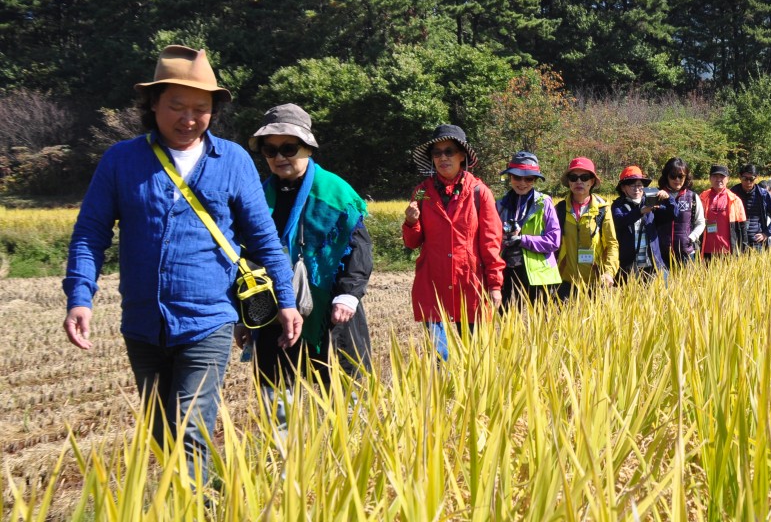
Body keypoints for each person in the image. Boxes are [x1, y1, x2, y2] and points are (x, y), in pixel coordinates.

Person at [63, 46, 301, 483]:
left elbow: (264, 239)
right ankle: (217, 503)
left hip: (207, 320)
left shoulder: (232, 161)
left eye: (201, 108)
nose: (189, 118)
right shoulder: (121, 160)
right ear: (153, 104)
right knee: (161, 433)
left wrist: (285, 299)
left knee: (190, 428)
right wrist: (81, 295)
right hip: (142, 323)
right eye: (177, 105)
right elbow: (90, 231)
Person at [241, 104, 372, 429]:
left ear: (308, 147)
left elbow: (359, 250)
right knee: (276, 402)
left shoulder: (336, 193)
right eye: (270, 150)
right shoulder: (258, 196)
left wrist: (347, 296)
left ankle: (350, 461)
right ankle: (283, 466)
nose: (279, 156)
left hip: (331, 315)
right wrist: (245, 316)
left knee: (345, 399)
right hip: (274, 314)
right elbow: (247, 258)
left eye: (289, 147)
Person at [402, 125, 505, 361]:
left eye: (449, 151)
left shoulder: (480, 192)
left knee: (476, 358)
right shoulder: (421, 192)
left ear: (462, 156)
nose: (442, 157)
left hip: (469, 283)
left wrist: (495, 285)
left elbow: (491, 243)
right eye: (437, 153)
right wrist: (410, 222)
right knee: (440, 357)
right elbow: (412, 242)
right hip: (432, 282)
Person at [495, 151, 561, 310]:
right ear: (510, 177)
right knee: (509, 325)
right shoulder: (500, 204)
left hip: (539, 276)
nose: (522, 182)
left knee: (541, 328)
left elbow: (554, 241)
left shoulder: (544, 203)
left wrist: (522, 240)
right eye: (517, 177)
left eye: (528, 178)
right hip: (507, 272)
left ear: (535, 180)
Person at [554, 157, 619, 297]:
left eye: (584, 177)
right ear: (569, 182)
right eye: (573, 177)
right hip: (565, 282)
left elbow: (612, 244)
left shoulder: (603, 209)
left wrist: (609, 272)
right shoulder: (559, 209)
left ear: (592, 181)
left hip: (596, 283)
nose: (579, 181)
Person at [612, 165, 668, 282]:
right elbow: (620, 221)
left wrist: (668, 198)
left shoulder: (652, 202)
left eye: (639, 185)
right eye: (632, 185)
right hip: (629, 264)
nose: (636, 189)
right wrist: (640, 211)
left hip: (651, 262)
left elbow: (673, 214)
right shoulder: (618, 206)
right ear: (623, 188)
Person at [651, 157, 705, 267]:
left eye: (681, 176)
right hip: (661, 254)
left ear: (686, 177)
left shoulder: (692, 197)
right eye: (673, 176)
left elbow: (701, 222)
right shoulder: (656, 196)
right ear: (667, 176)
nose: (677, 180)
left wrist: (691, 238)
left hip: (686, 253)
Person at [700, 164, 747, 258]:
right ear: (710, 178)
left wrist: (743, 250)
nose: (718, 179)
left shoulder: (735, 200)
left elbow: (743, 227)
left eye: (722, 176)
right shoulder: (702, 197)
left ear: (727, 179)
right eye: (715, 176)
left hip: (728, 250)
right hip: (706, 250)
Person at [731, 164, 771, 248]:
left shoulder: (763, 194)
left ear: (756, 178)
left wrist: (767, 233)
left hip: (757, 241)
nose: (748, 182)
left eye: (751, 179)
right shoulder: (732, 194)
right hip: (737, 240)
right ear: (739, 177)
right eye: (745, 178)